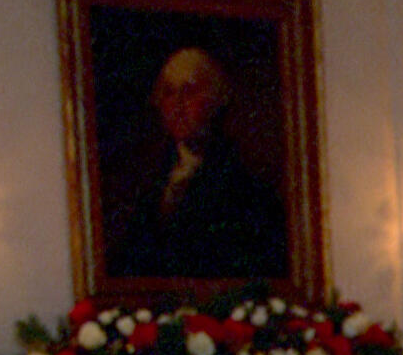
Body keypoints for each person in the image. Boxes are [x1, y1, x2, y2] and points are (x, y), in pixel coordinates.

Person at [108, 45, 284, 283]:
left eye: (189, 91)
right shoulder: (150, 183)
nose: (178, 105)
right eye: (169, 92)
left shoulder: (246, 189)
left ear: (216, 100)